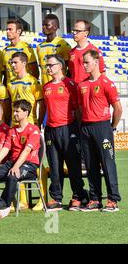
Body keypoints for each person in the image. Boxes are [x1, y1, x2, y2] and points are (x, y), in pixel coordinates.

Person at [78, 50, 123, 212]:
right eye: (83, 62)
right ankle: (95, 200)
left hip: (103, 127)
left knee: (107, 163)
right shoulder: (82, 85)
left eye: (87, 62)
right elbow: (79, 109)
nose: (84, 65)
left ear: (96, 62)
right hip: (86, 128)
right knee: (90, 165)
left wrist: (112, 127)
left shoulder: (106, 83)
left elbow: (118, 108)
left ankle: (113, 200)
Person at [0, 100, 41, 219]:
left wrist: (16, 166)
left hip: (28, 165)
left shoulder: (34, 130)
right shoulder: (12, 130)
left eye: (17, 111)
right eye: (14, 111)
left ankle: (6, 204)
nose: (14, 114)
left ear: (26, 112)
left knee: (13, 175)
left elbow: (26, 151)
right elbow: (5, 149)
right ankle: (1, 205)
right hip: (11, 163)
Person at [42, 54, 88, 211]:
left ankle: (79, 196)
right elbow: (45, 109)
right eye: (47, 65)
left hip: (68, 129)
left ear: (60, 66)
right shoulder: (46, 87)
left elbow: (78, 110)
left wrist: (80, 130)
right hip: (50, 130)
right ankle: (56, 197)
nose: (48, 67)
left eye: (51, 65)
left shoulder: (71, 85)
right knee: (54, 166)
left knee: (73, 165)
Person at [8, 52, 45, 128]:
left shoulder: (33, 82)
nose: (12, 65)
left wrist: (39, 121)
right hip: (14, 124)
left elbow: (41, 103)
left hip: (29, 123)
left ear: (24, 63)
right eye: (12, 63)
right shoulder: (11, 83)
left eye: (15, 62)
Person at [36, 14, 71, 85]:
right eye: (43, 25)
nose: (43, 27)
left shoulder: (63, 44)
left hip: (60, 86)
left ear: (55, 27)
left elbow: (70, 68)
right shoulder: (39, 46)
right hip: (45, 86)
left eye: (47, 25)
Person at [2, 19, 39, 84]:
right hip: (11, 89)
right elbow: (6, 74)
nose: (7, 31)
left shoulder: (26, 47)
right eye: (7, 29)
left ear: (18, 31)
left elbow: (35, 70)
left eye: (10, 29)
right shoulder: (5, 50)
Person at [69, 19, 106, 84]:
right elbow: (70, 72)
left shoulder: (94, 51)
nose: (74, 33)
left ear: (86, 33)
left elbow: (102, 72)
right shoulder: (71, 52)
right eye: (74, 30)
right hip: (74, 90)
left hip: (89, 89)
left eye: (77, 31)